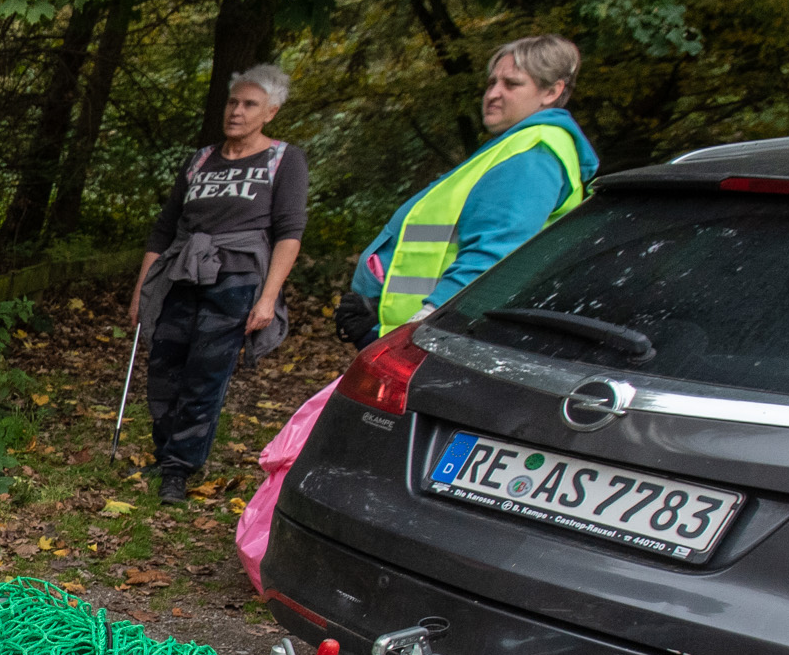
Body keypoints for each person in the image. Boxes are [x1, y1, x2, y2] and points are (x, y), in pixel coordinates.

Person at [336, 34, 597, 349]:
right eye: (491, 83)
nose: (493, 94)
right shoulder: (516, 147)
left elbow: (492, 256)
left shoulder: (533, 154)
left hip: (435, 339)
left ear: (552, 91)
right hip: (417, 333)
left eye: (511, 84)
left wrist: (420, 329)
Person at [127, 64, 307, 503]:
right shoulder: (200, 160)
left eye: (250, 105)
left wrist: (268, 298)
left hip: (237, 277)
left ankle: (179, 468)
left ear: (270, 112)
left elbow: (289, 233)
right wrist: (140, 292)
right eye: (233, 102)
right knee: (165, 365)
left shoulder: (283, 159)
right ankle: (164, 450)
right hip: (180, 271)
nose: (237, 112)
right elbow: (164, 229)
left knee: (205, 373)